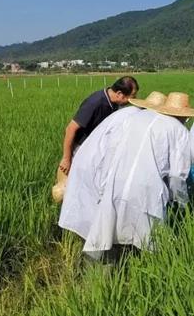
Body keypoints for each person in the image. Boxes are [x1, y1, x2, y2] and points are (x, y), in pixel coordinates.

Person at [81, 92, 194, 258]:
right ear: (185, 116)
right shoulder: (179, 130)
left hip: (116, 180)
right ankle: (151, 270)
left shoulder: (136, 118)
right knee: (151, 242)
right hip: (148, 188)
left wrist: (104, 184)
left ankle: (99, 276)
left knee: (106, 232)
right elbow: (177, 175)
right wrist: (181, 202)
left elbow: (111, 150)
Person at [58, 92, 167, 238]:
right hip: (97, 163)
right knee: (96, 211)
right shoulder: (133, 119)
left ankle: (91, 240)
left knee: (94, 209)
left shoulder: (127, 114)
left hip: (92, 160)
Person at [58, 76, 139, 175]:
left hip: (95, 149)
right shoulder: (95, 103)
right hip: (80, 149)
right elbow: (70, 129)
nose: (133, 100)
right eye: (132, 96)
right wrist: (66, 159)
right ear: (119, 94)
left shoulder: (114, 102)